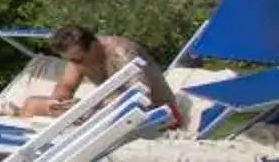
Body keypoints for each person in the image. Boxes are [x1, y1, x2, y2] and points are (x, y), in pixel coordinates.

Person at [14, 23, 178, 120]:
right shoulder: (79, 59)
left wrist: (88, 107)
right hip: (113, 111)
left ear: (94, 46)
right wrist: (58, 101)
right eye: (70, 60)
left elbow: (141, 96)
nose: (75, 64)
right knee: (33, 104)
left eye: (77, 59)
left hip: (156, 113)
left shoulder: (121, 53)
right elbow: (66, 86)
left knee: (35, 106)